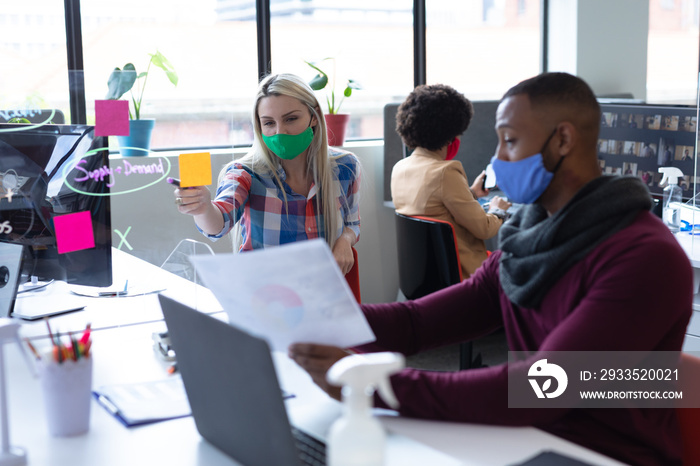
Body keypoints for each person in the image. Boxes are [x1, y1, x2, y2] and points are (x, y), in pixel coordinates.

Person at [289, 72, 692, 466]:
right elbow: (418, 322)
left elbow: (544, 386)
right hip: (530, 437)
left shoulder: (644, 258)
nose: (497, 159)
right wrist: (322, 321)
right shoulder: (529, 240)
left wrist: (372, 385)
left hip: (604, 453)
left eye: (510, 141)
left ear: (564, 139)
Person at [173, 73, 361, 274]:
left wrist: (345, 239)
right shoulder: (243, 173)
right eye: (269, 123)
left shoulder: (345, 166)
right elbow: (218, 225)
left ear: (314, 117)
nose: (281, 131)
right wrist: (202, 207)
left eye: (291, 119)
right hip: (263, 295)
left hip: (321, 290)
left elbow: (353, 224)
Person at [390, 84, 511, 278]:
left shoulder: (400, 168)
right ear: (449, 136)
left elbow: (433, 207)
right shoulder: (446, 172)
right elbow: (485, 228)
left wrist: (470, 192)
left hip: (429, 275)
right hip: (465, 273)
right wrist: (498, 210)